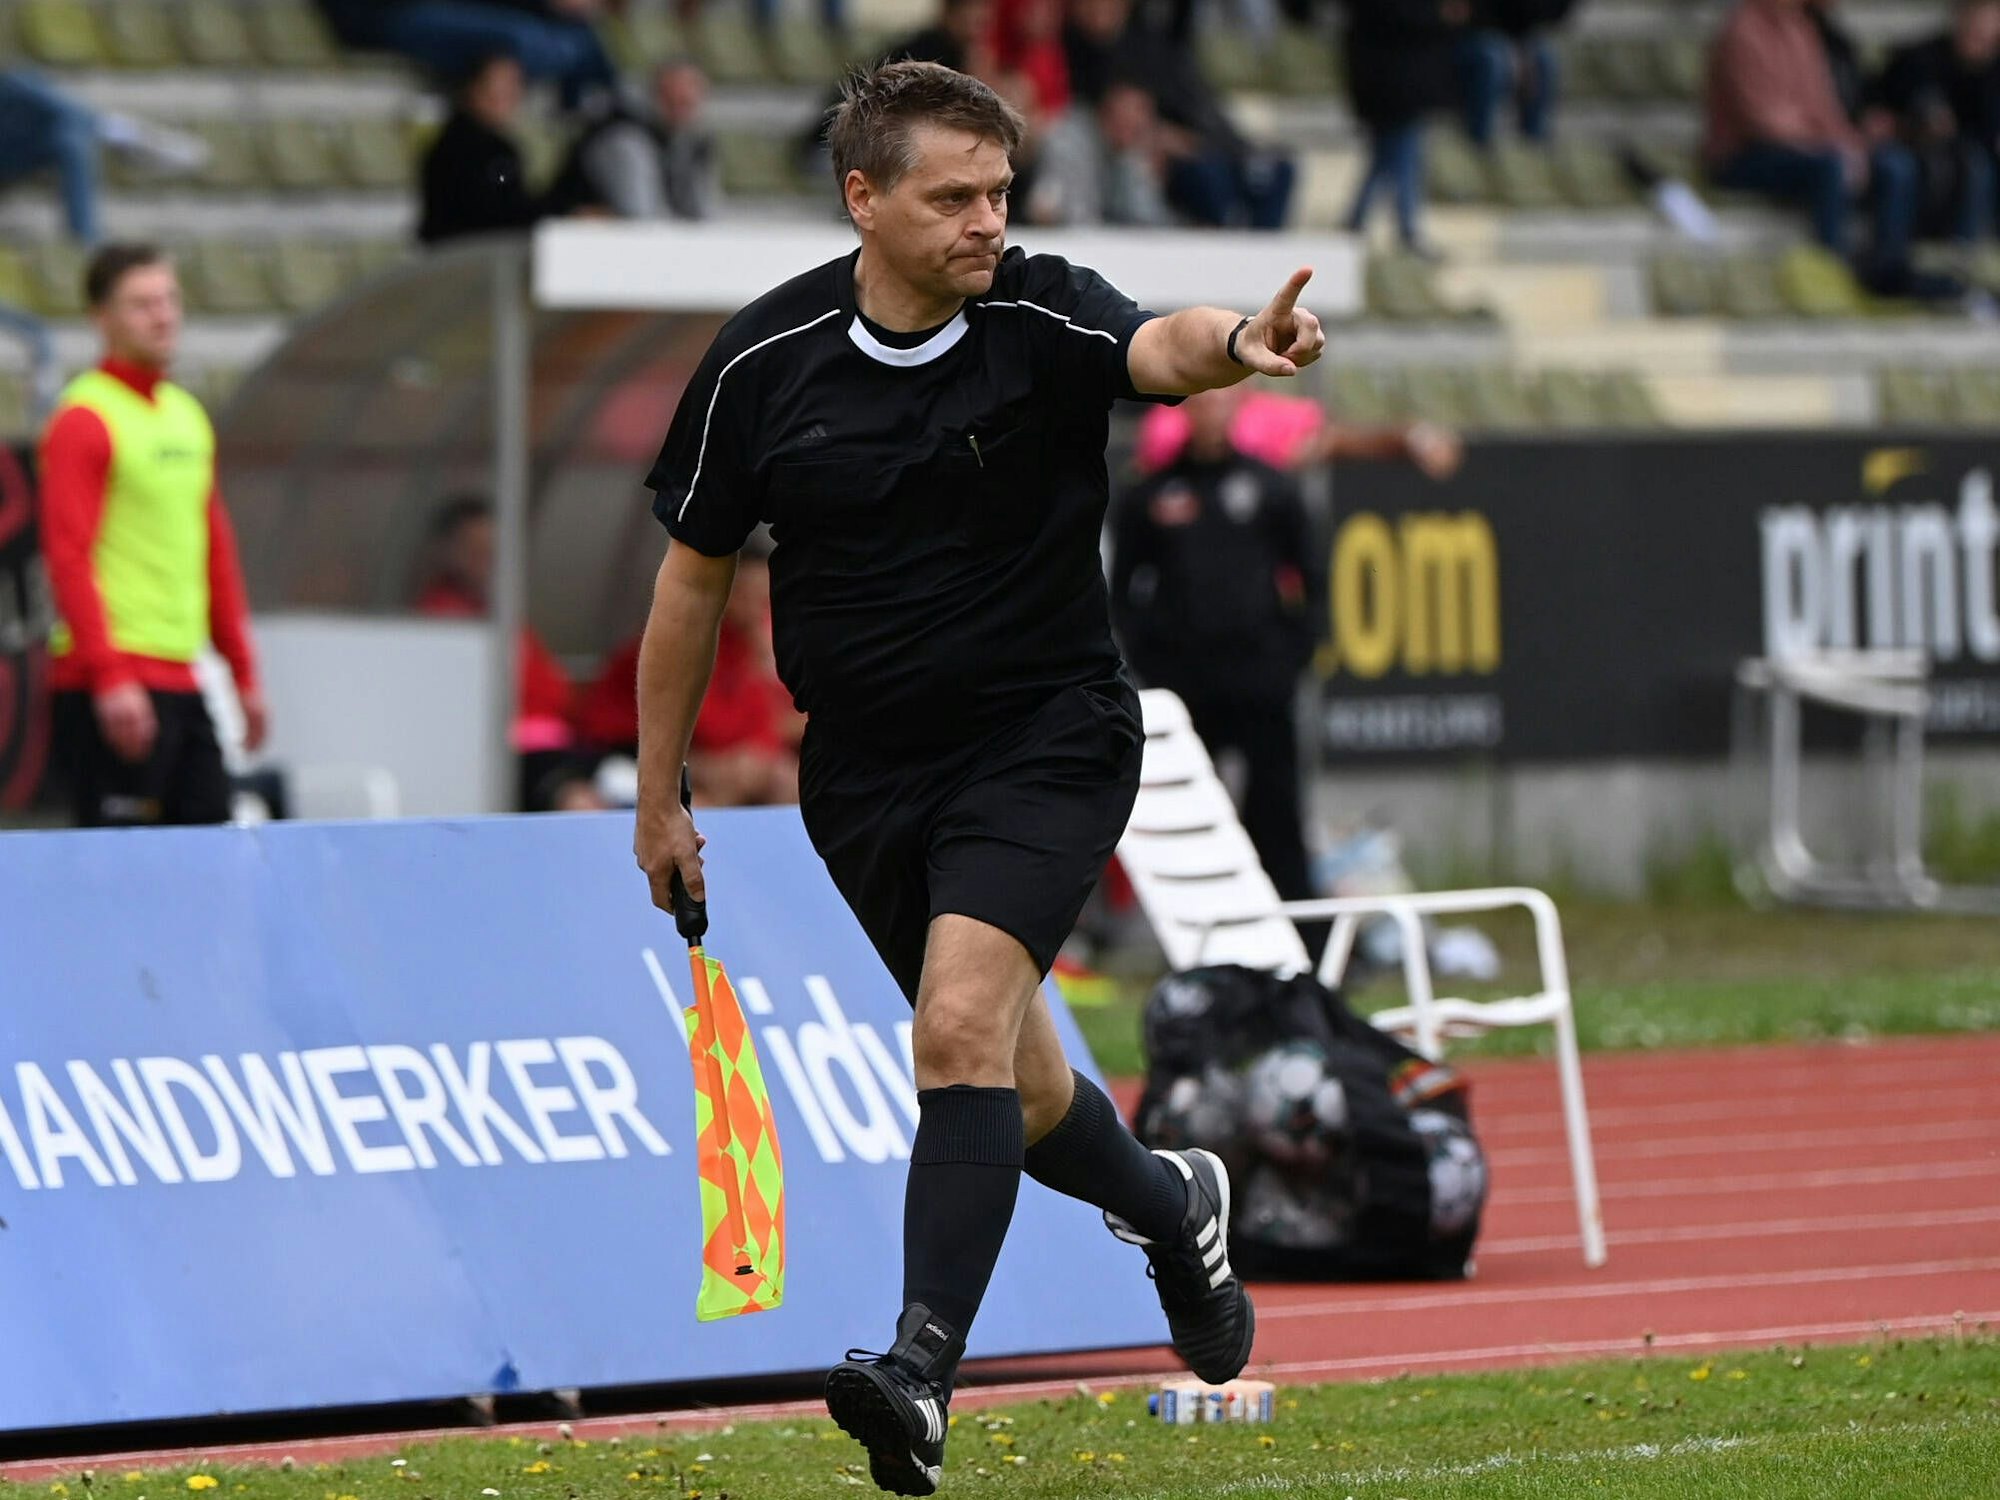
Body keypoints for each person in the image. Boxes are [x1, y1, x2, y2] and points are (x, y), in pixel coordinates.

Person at [633, 60, 1323, 1496]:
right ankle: (1170, 1201)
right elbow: (692, 587)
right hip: (868, 776)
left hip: (1046, 735)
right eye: (952, 198)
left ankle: (919, 1371)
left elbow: (1162, 346)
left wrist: (1242, 340)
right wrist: (658, 793)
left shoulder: (1041, 310)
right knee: (1005, 1076)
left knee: (952, 1034)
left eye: (1000, 193)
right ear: (863, 197)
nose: (985, 223)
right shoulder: (764, 365)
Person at [1115, 388, 1461, 909]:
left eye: (1221, 401)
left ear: (1238, 408)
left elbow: (1311, 574)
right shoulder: (1154, 493)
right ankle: (1204, 928)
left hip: (1259, 678)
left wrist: (1296, 651)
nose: (1212, 412)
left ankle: (1300, 930)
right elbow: (1125, 588)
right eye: (1201, 402)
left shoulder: (1269, 486)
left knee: (1276, 809)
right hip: (1186, 682)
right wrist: (1149, 657)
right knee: (1192, 811)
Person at [39, 245, 265, 828]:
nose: (162, 316)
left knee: (212, 859)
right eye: (141, 305)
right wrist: (110, 676)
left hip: (181, 676)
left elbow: (214, 552)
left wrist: (242, 672)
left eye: (168, 300)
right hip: (111, 684)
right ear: (101, 318)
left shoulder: (186, 415)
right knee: (122, 885)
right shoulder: (85, 418)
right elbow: (68, 555)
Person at [1703, 0, 1922, 292]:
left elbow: (1823, 107)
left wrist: (1853, 145)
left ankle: (1890, 269)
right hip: (1743, 156)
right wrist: (1830, 145)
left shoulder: (1802, 29)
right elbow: (1763, 121)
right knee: (1831, 165)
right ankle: (1831, 273)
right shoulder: (1743, 32)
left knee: (1893, 164)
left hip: (1806, 146)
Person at [412, 495, 601, 810]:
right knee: (580, 801)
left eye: (492, 551)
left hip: (556, 747)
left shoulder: (502, 619)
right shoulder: (440, 623)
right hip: (508, 757)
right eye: (475, 550)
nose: (486, 561)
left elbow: (555, 692)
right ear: (448, 552)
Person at [1342, 0, 1472, 256]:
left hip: (1397, 83)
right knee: (1403, 158)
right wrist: (1440, 14)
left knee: (1386, 157)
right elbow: (1400, 19)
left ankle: (1356, 222)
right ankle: (1406, 232)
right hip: (1391, 85)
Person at [315, 0, 617, 109]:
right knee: (534, 41)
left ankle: (588, 95)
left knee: (574, 37)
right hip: (390, 15)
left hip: (448, 15)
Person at [1870, 0, 2000, 244]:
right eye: (1975, 27)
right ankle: (1892, 258)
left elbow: (1989, 130)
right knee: (1899, 167)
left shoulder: (1992, 74)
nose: (1979, 40)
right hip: (1907, 142)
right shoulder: (1921, 57)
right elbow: (1877, 100)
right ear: (1959, 19)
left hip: (1965, 155)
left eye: (1988, 34)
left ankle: (1963, 252)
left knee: (1977, 166)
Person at [545, 59, 721, 221]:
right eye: (672, 100)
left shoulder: (688, 144)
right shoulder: (623, 139)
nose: (682, 112)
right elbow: (642, 219)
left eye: (688, 103)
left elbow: (701, 215)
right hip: (565, 241)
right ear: (655, 95)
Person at [418, 52, 545, 245]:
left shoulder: (487, 147)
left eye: (514, 85)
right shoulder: (465, 150)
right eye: (497, 87)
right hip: (468, 260)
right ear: (473, 86)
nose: (508, 95)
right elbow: (498, 216)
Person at [1460, 0, 1576, 147]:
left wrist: (1521, 51)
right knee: (1491, 59)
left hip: (1512, 38)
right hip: (1467, 37)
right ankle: (1480, 141)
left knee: (1544, 59)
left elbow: (1546, 15)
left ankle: (1535, 143)